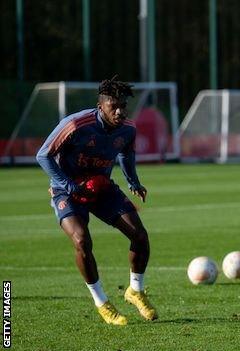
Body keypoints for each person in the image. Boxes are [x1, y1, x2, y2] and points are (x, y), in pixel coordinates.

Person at [36, 77, 158, 325]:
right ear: (101, 105)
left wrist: (133, 181)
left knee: (140, 236)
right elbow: (43, 155)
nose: (120, 111)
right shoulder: (75, 124)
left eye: (123, 105)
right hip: (67, 191)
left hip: (101, 188)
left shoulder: (128, 129)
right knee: (82, 240)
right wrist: (68, 185)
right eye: (114, 106)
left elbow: (125, 152)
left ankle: (135, 290)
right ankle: (102, 302)